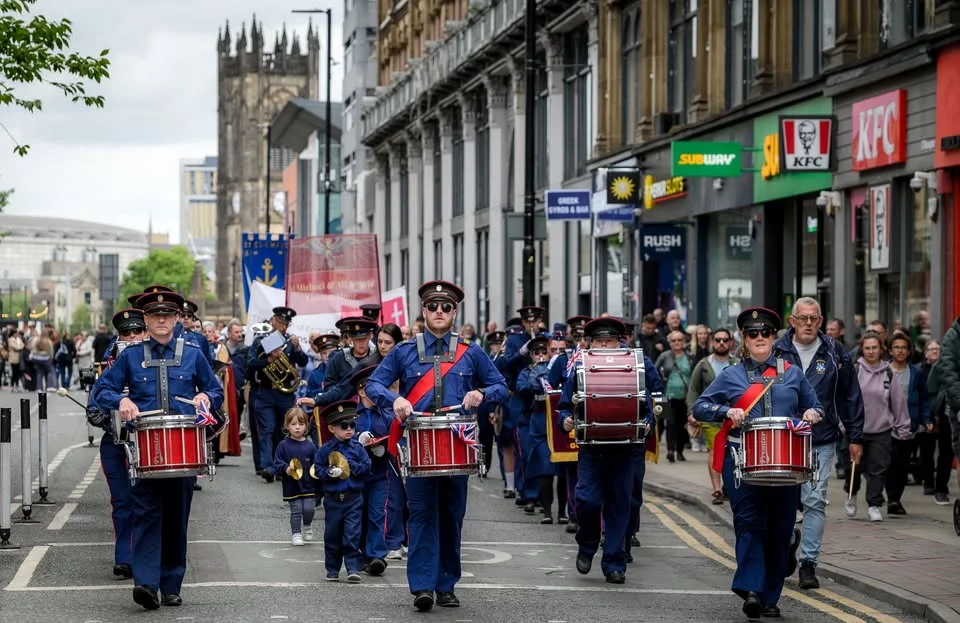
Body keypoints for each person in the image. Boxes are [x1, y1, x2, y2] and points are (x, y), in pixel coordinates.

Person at [365, 280, 508, 612]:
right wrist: (395, 397)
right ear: (424, 311)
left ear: (454, 312)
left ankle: (446, 584)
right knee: (421, 513)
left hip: (458, 443)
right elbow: (373, 385)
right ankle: (423, 586)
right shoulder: (403, 351)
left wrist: (481, 394)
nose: (439, 312)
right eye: (432, 306)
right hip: (419, 444)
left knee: (452, 514)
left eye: (446, 307)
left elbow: (501, 385)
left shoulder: (471, 352)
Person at [92, 289, 224, 610]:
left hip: (183, 450)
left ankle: (172, 584)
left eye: (167, 315)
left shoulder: (193, 353)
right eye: (154, 315)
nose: (161, 319)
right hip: (143, 448)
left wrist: (206, 398)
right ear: (146, 320)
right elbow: (101, 389)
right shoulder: (130, 356)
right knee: (145, 515)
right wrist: (121, 400)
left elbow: (215, 390)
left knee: (176, 518)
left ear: (178, 318)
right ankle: (146, 584)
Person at [693, 307, 824, 620]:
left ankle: (769, 596)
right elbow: (700, 406)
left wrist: (812, 415)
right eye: (753, 334)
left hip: (786, 464)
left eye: (765, 332)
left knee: (778, 530)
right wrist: (726, 412)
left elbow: (816, 407)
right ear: (744, 340)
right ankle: (751, 589)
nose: (759, 338)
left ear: (773, 337)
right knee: (749, 524)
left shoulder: (792, 372)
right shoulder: (732, 375)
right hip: (742, 461)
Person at [556, 317, 662, 584]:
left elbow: (646, 403)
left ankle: (614, 563)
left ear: (619, 342)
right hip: (592, 447)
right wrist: (565, 420)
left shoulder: (633, 367)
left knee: (619, 504)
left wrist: (648, 424)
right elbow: (565, 406)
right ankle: (587, 542)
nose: (605, 345)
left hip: (626, 448)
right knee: (587, 500)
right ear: (591, 344)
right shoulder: (581, 367)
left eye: (610, 341)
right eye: (599, 341)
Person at [772, 297, 864, 590]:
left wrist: (855, 436)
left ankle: (808, 564)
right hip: (783, 439)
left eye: (814, 318)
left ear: (821, 321)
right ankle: (787, 543)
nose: (808, 324)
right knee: (784, 503)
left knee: (814, 501)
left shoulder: (836, 352)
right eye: (803, 318)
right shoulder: (777, 350)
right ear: (792, 321)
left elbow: (850, 395)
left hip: (822, 440)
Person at [85, 307, 148, 579]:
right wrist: (106, 419)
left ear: (145, 333)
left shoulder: (158, 361)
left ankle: (146, 558)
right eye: (126, 333)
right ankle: (124, 557)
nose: (132, 336)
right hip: (115, 442)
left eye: (137, 331)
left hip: (149, 442)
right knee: (121, 502)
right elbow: (93, 407)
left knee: (145, 502)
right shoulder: (108, 365)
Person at [350, 364, 405, 572]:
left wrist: (385, 445)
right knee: (357, 514)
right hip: (357, 473)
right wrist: (357, 439)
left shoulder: (386, 414)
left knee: (376, 514)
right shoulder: (352, 414)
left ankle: (376, 555)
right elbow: (341, 438)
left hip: (380, 472)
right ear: (361, 391)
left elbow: (395, 435)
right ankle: (358, 553)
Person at [246, 306, 309, 483]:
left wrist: (297, 349)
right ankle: (267, 467)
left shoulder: (290, 341)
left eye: (285, 324)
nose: (282, 326)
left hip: (285, 393)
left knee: (285, 430)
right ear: (273, 320)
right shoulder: (260, 341)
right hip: (265, 391)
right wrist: (269, 359)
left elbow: (303, 362)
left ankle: (283, 467)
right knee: (267, 429)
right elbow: (250, 364)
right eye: (280, 322)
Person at [312, 401, 372, 582]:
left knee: (352, 534)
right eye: (343, 426)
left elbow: (367, 468)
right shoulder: (325, 450)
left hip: (353, 499)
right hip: (332, 499)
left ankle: (353, 568)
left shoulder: (358, 449)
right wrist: (330, 473)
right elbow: (317, 469)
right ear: (331, 428)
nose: (349, 429)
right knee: (332, 535)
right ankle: (332, 569)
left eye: (352, 425)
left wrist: (351, 466)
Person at [687, 327, 739, 505]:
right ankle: (717, 489)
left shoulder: (738, 364)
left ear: (731, 342)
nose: (721, 343)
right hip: (711, 417)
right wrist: (691, 412)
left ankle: (729, 487)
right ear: (712, 342)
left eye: (725, 340)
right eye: (718, 340)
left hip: (734, 418)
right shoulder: (703, 364)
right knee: (714, 450)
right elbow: (693, 390)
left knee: (732, 453)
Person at [273, 408, 317, 546]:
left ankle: (308, 524)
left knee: (309, 509)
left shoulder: (310, 446)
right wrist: (285, 468)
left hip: (308, 484)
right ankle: (296, 533)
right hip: (291, 485)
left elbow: (316, 464)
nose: (297, 427)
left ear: (306, 426)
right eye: (293, 424)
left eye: (301, 424)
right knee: (296, 510)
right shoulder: (283, 445)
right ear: (287, 426)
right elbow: (277, 462)